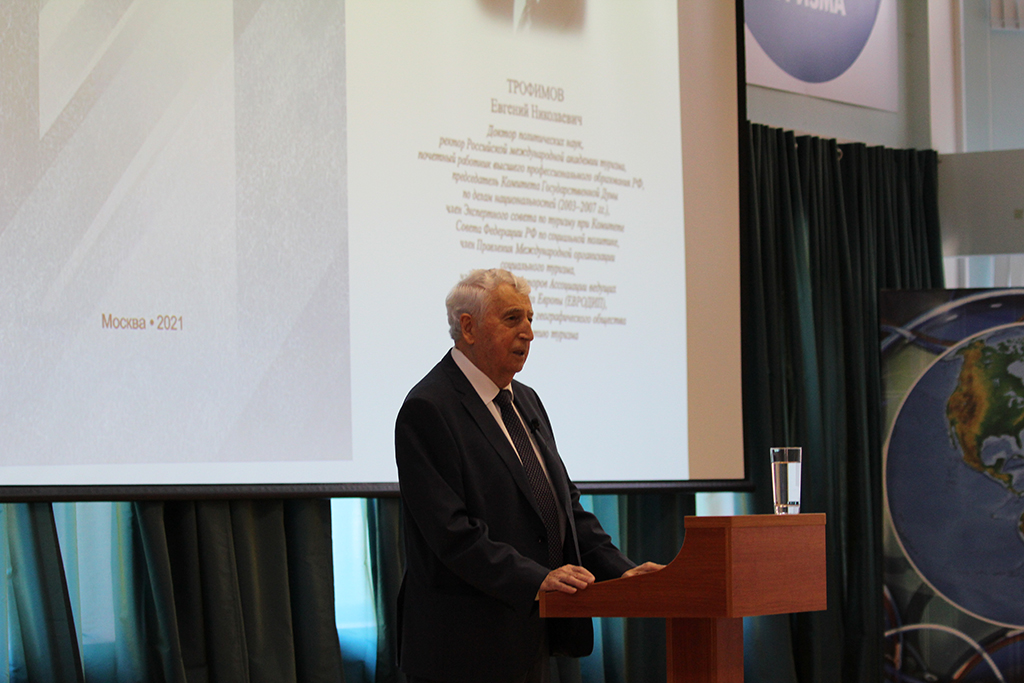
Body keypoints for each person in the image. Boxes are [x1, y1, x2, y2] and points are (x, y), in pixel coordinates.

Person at [395, 268, 662, 683]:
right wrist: (538, 579)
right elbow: (452, 533)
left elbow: (563, 507)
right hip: (463, 648)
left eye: (531, 319)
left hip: (527, 635)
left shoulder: (525, 399)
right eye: (512, 319)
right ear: (468, 327)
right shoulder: (429, 408)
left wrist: (620, 572)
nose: (529, 333)